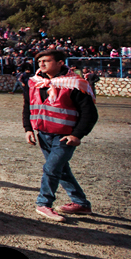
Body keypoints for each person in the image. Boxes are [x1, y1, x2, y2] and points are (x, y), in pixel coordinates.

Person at [26, 49, 98, 222]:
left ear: (60, 63)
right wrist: (28, 128)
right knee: (61, 170)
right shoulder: (35, 82)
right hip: (43, 134)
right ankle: (81, 203)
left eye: (46, 61)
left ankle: (44, 203)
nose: (42, 64)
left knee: (51, 169)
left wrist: (77, 135)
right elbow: (27, 106)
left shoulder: (75, 84)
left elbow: (90, 114)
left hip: (64, 137)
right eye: (40, 61)